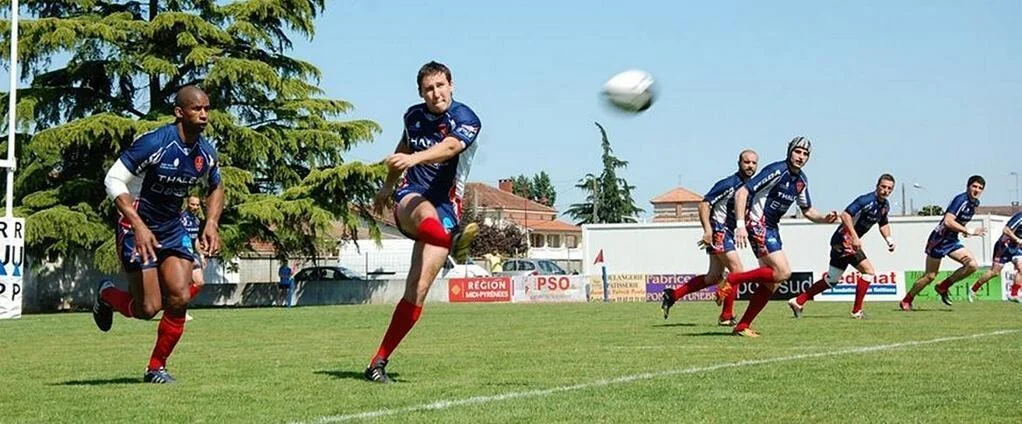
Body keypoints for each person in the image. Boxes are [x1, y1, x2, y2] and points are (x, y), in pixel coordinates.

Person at [92, 85, 223, 384]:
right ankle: (106, 294)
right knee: (147, 308)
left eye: (206, 109)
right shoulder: (154, 143)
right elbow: (113, 179)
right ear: (179, 112)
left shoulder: (205, 152)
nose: (203, 114)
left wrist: (211, 222)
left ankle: (156, 368)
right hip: (136, 224)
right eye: (196, 109)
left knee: (178, 297)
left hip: (171, 226)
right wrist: (137, 225)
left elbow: (216, 186)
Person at [364, 61, 481, 383]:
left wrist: (414, 158)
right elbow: (401, 150)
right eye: (429, 89)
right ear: (421, 92)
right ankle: (451, 241)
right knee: (426, 214)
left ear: (451, 85)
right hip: (411, 197)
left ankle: (378, 362)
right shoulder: (412, 116)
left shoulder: (466, 119)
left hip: (447, 207)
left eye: (440, 86)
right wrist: (389, 185)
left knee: (418, 290)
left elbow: (450, 148)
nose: (436, 93)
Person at [717, 137, 838, 337]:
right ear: (789, 151)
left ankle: (742, 326)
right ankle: (732, 278)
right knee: (783, 272)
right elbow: (742, 193)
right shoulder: (777, 170)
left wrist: (825, 218)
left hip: (772, 228)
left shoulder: (801, 181)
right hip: (758, 224)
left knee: (772, 282)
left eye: (805, 154)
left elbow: (807, 210)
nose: (801, 157)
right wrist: (740, 225)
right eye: (798, 152)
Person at [661, 149, 759, 326]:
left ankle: (673, 295)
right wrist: (707, 230)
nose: (750, 166)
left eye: (753, 163)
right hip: (719, 231)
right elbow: (704, 204)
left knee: (713, 277)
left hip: (727, 233)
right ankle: (726, 316)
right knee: (737, 271)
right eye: (747, 162)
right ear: (739, 163)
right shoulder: (729, 184)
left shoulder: (750, 187)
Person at [787, 174, 897, 319]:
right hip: (845, 240)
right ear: (877, 186)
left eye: (889, 188)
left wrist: (889, 239)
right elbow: (846, 215)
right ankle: (857, 311)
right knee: (868, 272)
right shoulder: (865, 200)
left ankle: (798, 301)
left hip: (842, 241)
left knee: (832, 279)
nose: (885, 191)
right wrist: (855, 237)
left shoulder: (884, 206)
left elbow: (883, 224)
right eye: (883, 187)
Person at [901, 176, 986, 310]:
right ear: (968, 186)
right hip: (939, 240)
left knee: (972, 265)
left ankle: (943, 287)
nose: (977, 190)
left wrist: (963, 231)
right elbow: (948, 221)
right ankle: (907, 299)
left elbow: (959, 221)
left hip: (952, 240)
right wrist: (968, 230)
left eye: (980, 188)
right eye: (974, 186)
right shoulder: (961, 200)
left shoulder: (974, 204)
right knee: (930, 276)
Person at [966, 211, 1022, 302]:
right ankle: (973, 289)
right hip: (1004, 246)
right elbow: (1006, 230)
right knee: (995, 272)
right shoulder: (1020, 217)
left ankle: (1014, 294)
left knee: (1021, 268)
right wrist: (1017, 240)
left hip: (1016, 248)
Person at [181, 195, 205, 321]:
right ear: (187, 204)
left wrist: (201, 255)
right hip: (182, 254)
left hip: (193, 255)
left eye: (197, 205)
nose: (195, 207)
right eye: (193, 204)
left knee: (199, 282)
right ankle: (180, 310)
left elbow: (195, 238)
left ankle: (177, 305)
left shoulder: (196, 220)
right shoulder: (180, 219)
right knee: (185, 284)